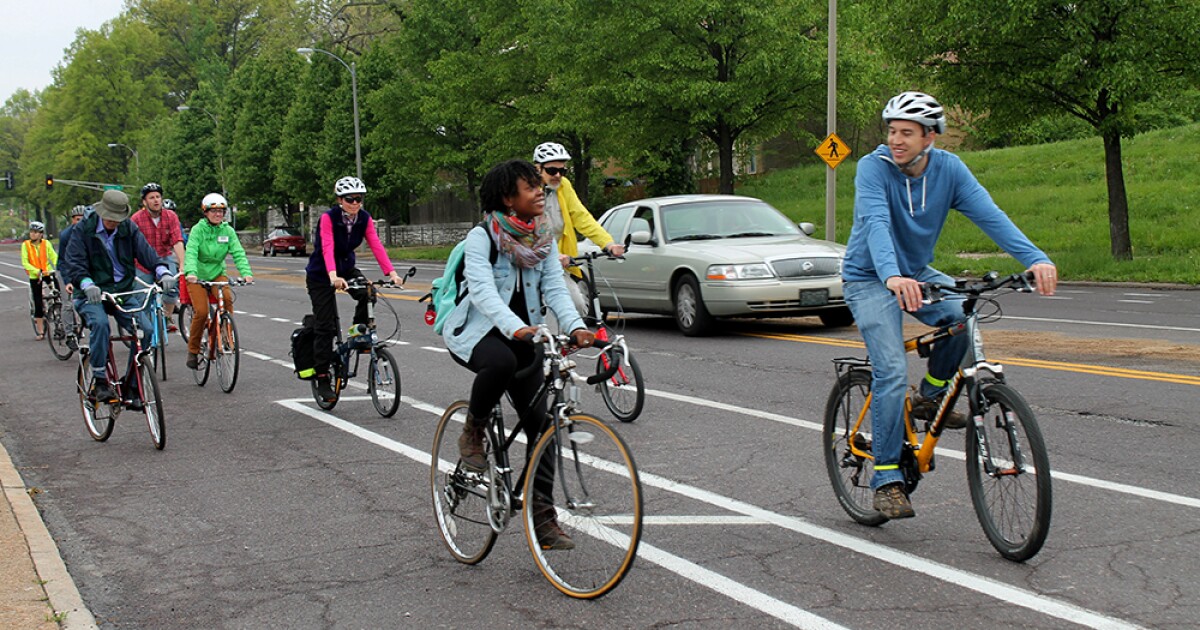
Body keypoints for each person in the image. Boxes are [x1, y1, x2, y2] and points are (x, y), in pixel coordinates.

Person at [842, 91, 1058, 519]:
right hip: (869, 277)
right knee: (889, 371)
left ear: (930, 137)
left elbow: (990, 214)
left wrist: (1035, 257)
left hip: (916, 272)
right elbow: (876, 225)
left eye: (906, 133)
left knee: (963, 316)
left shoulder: (949, 170)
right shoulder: (873, 169)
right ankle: (886, 479)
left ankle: (929, 397)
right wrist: (891, 275)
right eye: (891, 131)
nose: (896, 140)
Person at [442, 159, 596, 550]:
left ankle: (542, 516)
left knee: (544, 427)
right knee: (502, 361)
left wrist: (575, 326)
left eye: (539, 186)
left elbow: (555, 290)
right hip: (479, 332)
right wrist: (515, 327)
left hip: (525, 334)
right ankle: (473, 430)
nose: (540, 192)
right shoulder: (482, 237)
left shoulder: (541, 238)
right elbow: (482, 291)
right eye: (531, 188)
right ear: (509, 199)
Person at [61, 189, 177, 404]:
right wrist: (86, 284)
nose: (114, 222)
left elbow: (147, 253)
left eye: (118, 218)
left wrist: (163, 272)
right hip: (91, 292)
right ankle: (100, 381)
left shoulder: (127, 227)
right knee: (101, 324)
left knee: (146, 330)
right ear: (102, 212)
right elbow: (74, 263)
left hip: (122, 289)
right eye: (111, 218)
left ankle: (132, 384)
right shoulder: (83, 231)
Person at [305, 176, 404, 402]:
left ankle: (357, 333)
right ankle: (322, 377)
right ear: (340, 199)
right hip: (322, 273)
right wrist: (332, 275)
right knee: (325, 325)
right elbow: (327, 246)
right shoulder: (328, 219)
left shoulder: (364, 219)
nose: (356, 203)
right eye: (350, 199)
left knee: (369, 292)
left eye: (359, 198)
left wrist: (392, 273)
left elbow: (376, 245)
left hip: (346, 268)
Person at [531, 142, 625, 315]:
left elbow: (582, 217)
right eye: (552, 170)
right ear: (538, 169)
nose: (558, 175)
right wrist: (552, 255)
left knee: (578, 306)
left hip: (559, 264)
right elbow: (526, 231)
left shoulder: (564, 186)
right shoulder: (528, 191)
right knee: (544, 311)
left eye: (562, 171)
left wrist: (608, 244)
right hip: (532, 263)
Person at [183, 193, 254, 370]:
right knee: (201, 311)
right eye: (214, 211)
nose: (218, 214)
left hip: (216, 273)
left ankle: (225, 335)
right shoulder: (198, 230)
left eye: (221, 211)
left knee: (228, 298)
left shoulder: (227, 231)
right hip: (197, 275)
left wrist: (246, 273)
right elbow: (190, 252)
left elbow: (238, 252)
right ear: (205, 212)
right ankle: (193, 350)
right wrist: (191, 272)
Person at [130, 183, 185, 331]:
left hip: (164, 258)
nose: (156, 200)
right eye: (151, 197)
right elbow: (130, 245)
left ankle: (166, 317)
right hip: (142, 262)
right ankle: (145, 330)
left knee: (172, 287)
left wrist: (182, 264)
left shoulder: (171, 216)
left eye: (158, 197)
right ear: (144, 202)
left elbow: (177, 240)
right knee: (142, 297)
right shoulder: (136, 219)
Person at [21, 221, 58, 340]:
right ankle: (41, 331)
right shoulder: (25, 245)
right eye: (32, 232)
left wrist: (60, 267)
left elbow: (53, 256)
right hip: (35, 276)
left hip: (47, 273)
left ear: (41, 234)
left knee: (58, 294)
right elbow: (25, 262)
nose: (33, 234)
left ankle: (60, 320)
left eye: (36, 232)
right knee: (38, 302)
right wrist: (36, 271)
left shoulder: (46, 244)